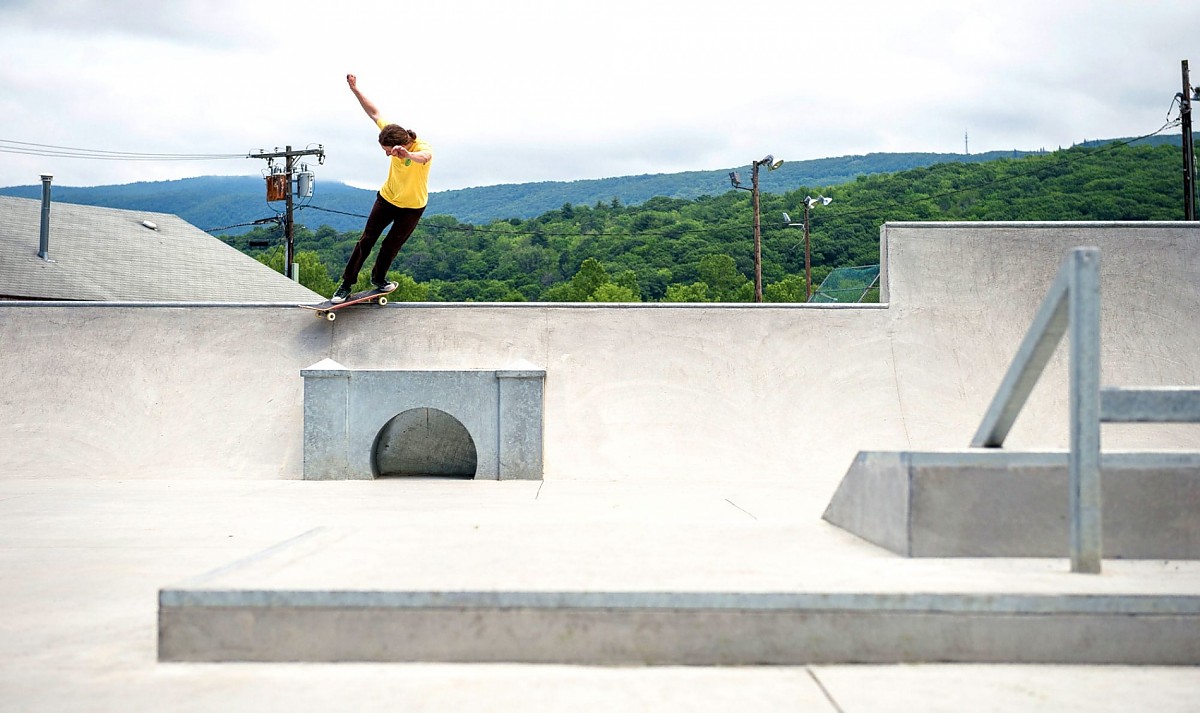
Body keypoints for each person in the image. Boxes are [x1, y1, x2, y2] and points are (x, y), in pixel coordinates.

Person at [331, 73, 433, 303]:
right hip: (387, 200)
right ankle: (346, 284)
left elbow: (425, 156)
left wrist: (408, 155)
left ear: (399, 144)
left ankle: (378, 279)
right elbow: (374, 112)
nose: (387, 153)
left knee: (390, 245)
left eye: (387, 150)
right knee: (366, 240)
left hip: (413, 207)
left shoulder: (421, 147)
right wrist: (355, 89)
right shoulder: (391, 130)